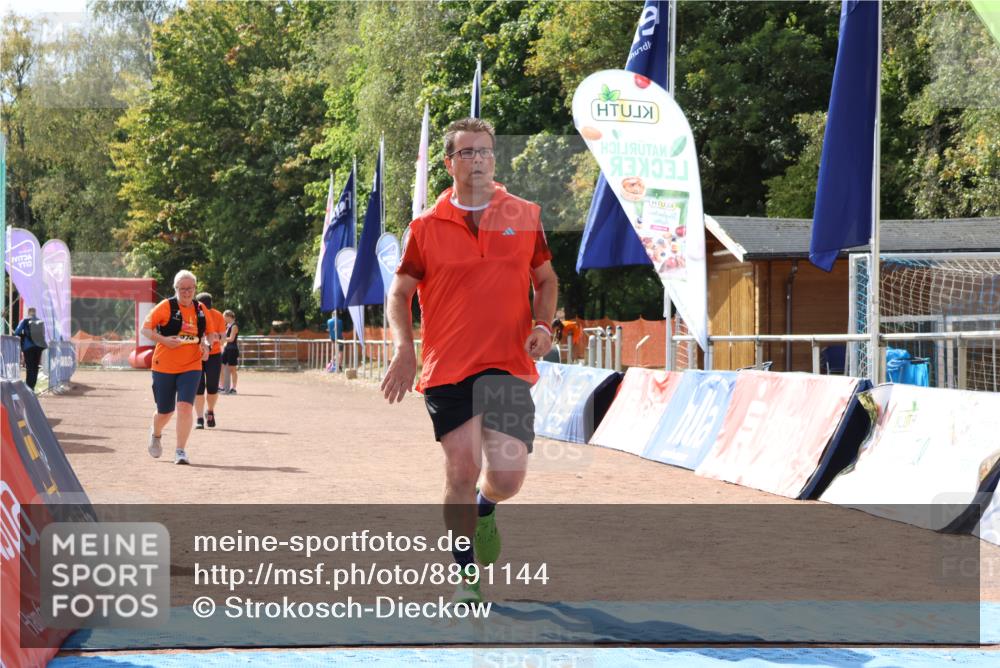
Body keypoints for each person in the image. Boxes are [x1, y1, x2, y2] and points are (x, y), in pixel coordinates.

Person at [381, 117, 558, 604]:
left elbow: (546, 280)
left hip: (507, 364)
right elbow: (399, 294)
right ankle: (466, 577)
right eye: (467, 153)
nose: (477, 160)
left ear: (494, 159)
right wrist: (404, 348)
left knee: (507, 478)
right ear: (449, 163)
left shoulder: (523, 214)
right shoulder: (425, 227)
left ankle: (487, 509)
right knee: (460, 471)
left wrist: (543, 326)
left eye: (485, 152)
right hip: (448, 368)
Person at [140, 270, 210, 465]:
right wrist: (164, 340)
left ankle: (180, 450)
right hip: (164, 365)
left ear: (195, 288)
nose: (187, 292)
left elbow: (209, 334)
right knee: (165, 411)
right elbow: (145, 329)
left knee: (185, 407)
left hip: (191, 365)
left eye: (190, 288)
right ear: (176, 289)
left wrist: (206, 346)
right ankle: (156, 433)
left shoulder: (201, 309)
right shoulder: (166, 307)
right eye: (182, 288)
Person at [194, 292, 226, 428]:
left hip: (214, 355)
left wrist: (213, 337)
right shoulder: (193, 314)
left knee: (212, 387)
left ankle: (210, 411)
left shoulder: (217, 315)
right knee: (198, 388)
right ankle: (200, 418)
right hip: (197, 355)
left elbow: (224, 337)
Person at [13, 307, 47, 390]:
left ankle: (29, 387)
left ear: (28, 312)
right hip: (38, 347)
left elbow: (17, 332)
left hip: (28, 347)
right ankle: (33, 386)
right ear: (35, 312)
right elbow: (43, 334)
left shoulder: (25, 320)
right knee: (35, 367)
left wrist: (23, 335)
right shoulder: (40, 321)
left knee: (29, 367)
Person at [220, 310, 240, 394]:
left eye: (224, 317)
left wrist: (219, 339)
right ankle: (222, 387)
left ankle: (234, 388)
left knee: (233, 369)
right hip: (226, 348)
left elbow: (231, 339)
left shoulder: (234, 326)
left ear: (229, 316)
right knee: (221, 366)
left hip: (232, 349)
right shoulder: (227, 325)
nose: (223, 318)